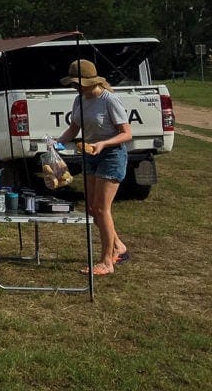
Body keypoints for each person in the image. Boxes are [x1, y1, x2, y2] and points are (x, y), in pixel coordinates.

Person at [56, 59, 132, 276]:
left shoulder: (109, 100)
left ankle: (106, 262)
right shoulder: (79, 100)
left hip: (112, 154)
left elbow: (127, 133)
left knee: (101, 208)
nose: (75, 87)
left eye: (78, 83)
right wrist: (57, 144)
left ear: (92, 81)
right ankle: (118, 246)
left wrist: (103, 144)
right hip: (90, 154)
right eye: (73, 84)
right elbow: (74, 128)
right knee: (91, 208)